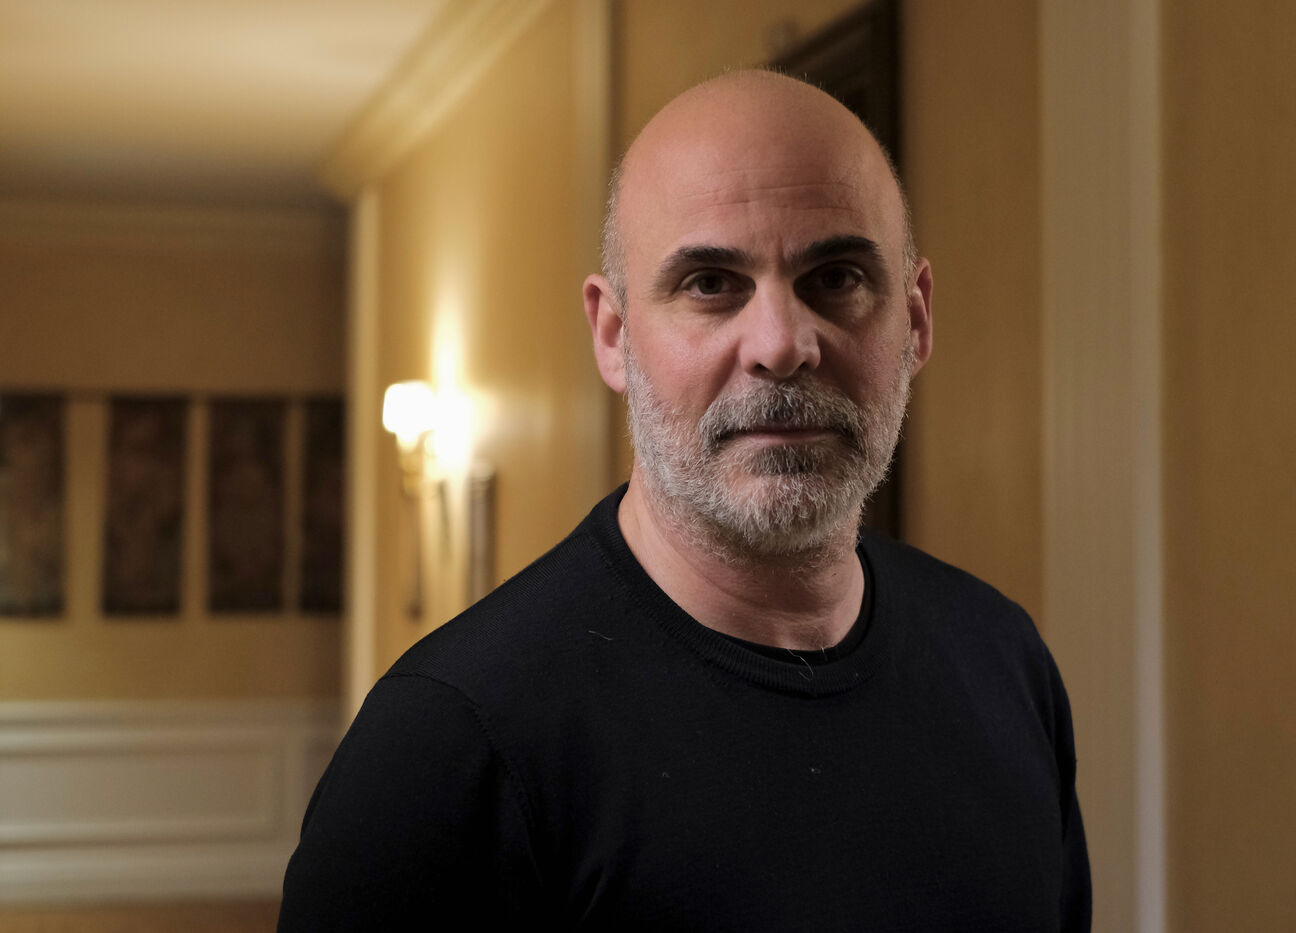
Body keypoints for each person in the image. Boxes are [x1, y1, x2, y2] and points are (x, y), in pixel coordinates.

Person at [279, 70, 1091, 931]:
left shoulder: (1004, 662)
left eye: (836, 276)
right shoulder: (447, 748)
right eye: (710, 283)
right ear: (614, 335)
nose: (781, 344)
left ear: (916, 321)